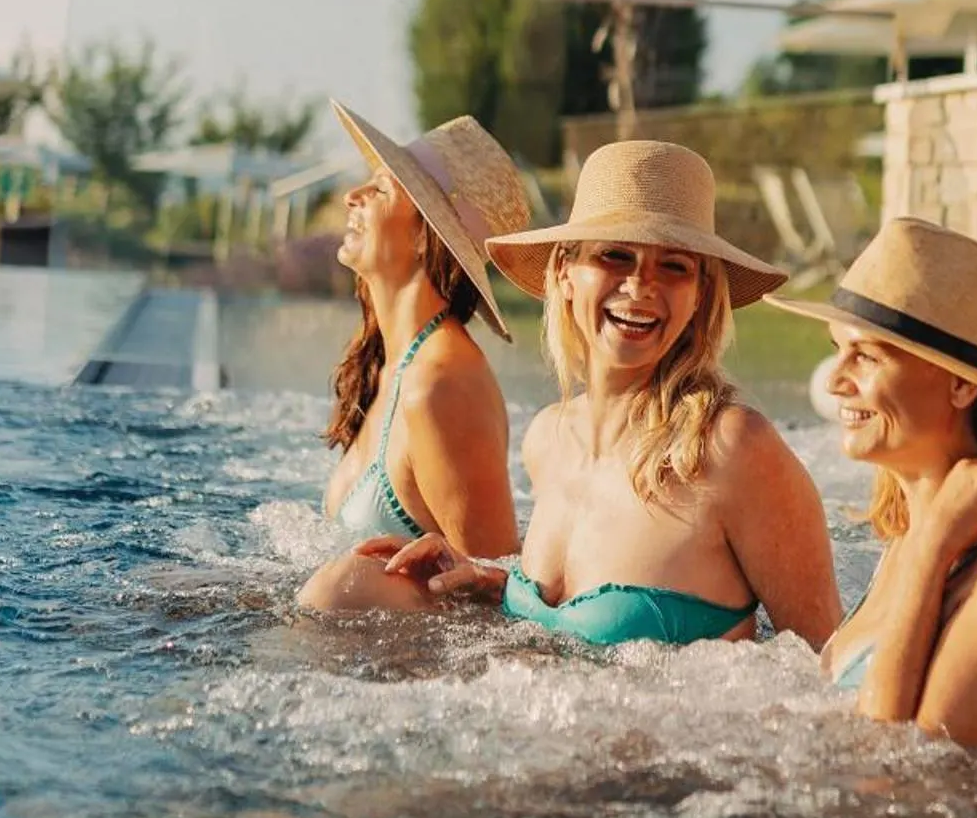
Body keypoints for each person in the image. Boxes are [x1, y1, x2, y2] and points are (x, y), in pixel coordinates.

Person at [306, 140, 838, 650]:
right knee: (345, 588)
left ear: (699, 294)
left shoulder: (732, 449)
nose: (640, 286)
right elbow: (560, 631)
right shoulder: (550, 438)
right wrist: (488, 582)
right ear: (564, 272)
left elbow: (827, 667)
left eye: (674, 266)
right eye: (615, 256)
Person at [768, 218, 977, 745]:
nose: (834, 380)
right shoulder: (910, 532)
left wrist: (931, 548)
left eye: (866, 355)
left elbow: (909, 767)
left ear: (961, 386)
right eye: (837, 349)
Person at [304, 102, 531, 574]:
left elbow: (495, 587)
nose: (352, 195)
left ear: (425, 237)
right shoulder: (388, 366)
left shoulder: (442, 385)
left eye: (382, 188)